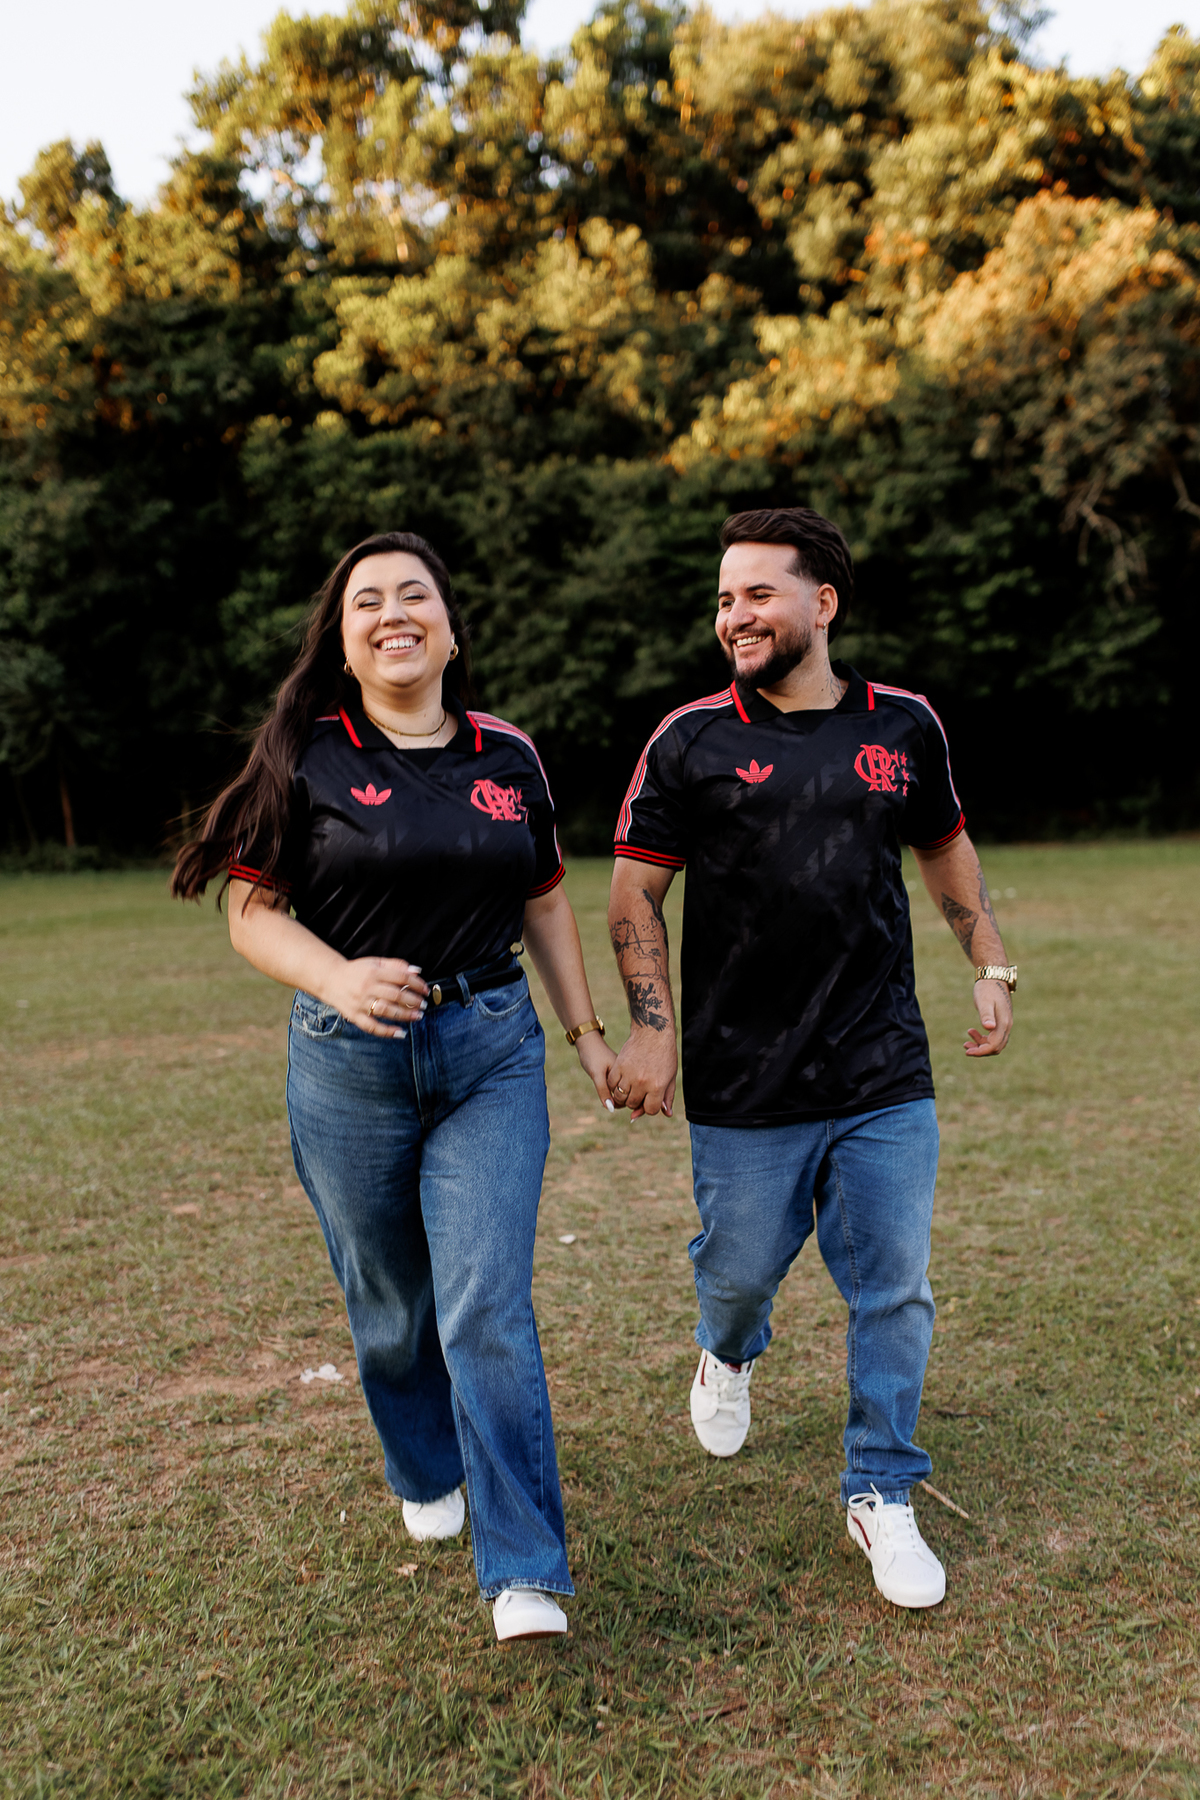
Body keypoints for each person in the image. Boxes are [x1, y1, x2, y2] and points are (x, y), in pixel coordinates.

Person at [173, 530, 616, 1643]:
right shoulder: (308, 756)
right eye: (366, 601)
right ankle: (424, 1465)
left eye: (414, 594)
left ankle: (524, 1568)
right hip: (348, 1061)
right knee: (389, 1304)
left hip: (491, 1051)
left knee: (486, 1304)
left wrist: (586, 1034)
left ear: (451, 631)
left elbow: (545, 900)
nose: (392, 613)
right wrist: (339, 976)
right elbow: (251, 911)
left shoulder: (510, 755)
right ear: (345, 642)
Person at [605, 506, 1016, 1611]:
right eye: (724, 598)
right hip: (744, 1075)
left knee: (895, 1286)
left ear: (822, 603)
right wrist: (652, 1026)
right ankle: (728, 1348)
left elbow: (944, 845)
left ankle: (880, 1488)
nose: (734, 615)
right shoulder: (690, 738)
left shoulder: (903, 725)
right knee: (740, 1272)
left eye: (758, 593)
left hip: (882, 1066)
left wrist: (989, 959)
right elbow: (635, 892)